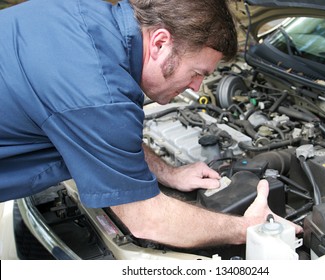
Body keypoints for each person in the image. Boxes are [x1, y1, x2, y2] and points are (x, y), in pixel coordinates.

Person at [0, 0, 302, 249]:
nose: (197, 88)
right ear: (159, 43)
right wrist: (249, 229)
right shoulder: (99, 92)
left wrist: (168, 173)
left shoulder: (83, 12)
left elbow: (102, 132)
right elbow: (146, 219)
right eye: (197, 72)